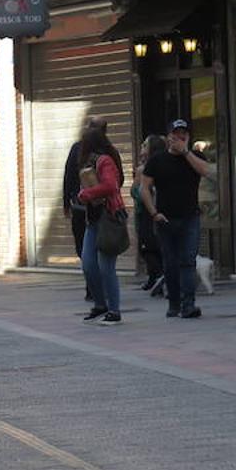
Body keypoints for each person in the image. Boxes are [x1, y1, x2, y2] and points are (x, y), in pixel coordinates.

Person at [141, 119, 212, 319]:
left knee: (188, 261)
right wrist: (154, 212)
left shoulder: (195, 156)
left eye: (184, 134)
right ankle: (174, 303)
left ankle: (188, 305)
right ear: (169, 137)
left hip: (190, 217)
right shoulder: (157, 160)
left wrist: (186, 152)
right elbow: (144, 188)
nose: (180, 138)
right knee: (170, 263)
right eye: (176, 135)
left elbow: (206, 171)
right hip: (165, 219)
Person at [77, 128, 127, 324]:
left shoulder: (104, 160)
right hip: (93, 221)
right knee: (88, 265)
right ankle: (100, 305)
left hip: (108, 219)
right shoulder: (89, 163)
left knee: (106, 268)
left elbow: (111, 186)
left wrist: (86, 194)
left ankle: (114, 311)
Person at [63, 116, 109, 301]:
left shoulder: (108, 153)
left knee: (100, 249)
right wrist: (67, 202)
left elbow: (117, 179)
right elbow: (68, 175)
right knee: (82, 248)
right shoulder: (77, 149)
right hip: (81, 207)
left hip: (102, 209)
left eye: (93, 127)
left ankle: (98, 289)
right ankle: (94, 285)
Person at [133, 135, 166, 296]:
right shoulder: (149, 166)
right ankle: (155, 276)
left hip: (148, 211)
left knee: (148, 245)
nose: (141, 148)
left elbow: (137, 193)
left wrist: (138, 182)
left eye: (145, 145)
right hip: (153, 210)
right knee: (151, 244)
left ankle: (158, 275)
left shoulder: (145, 169)